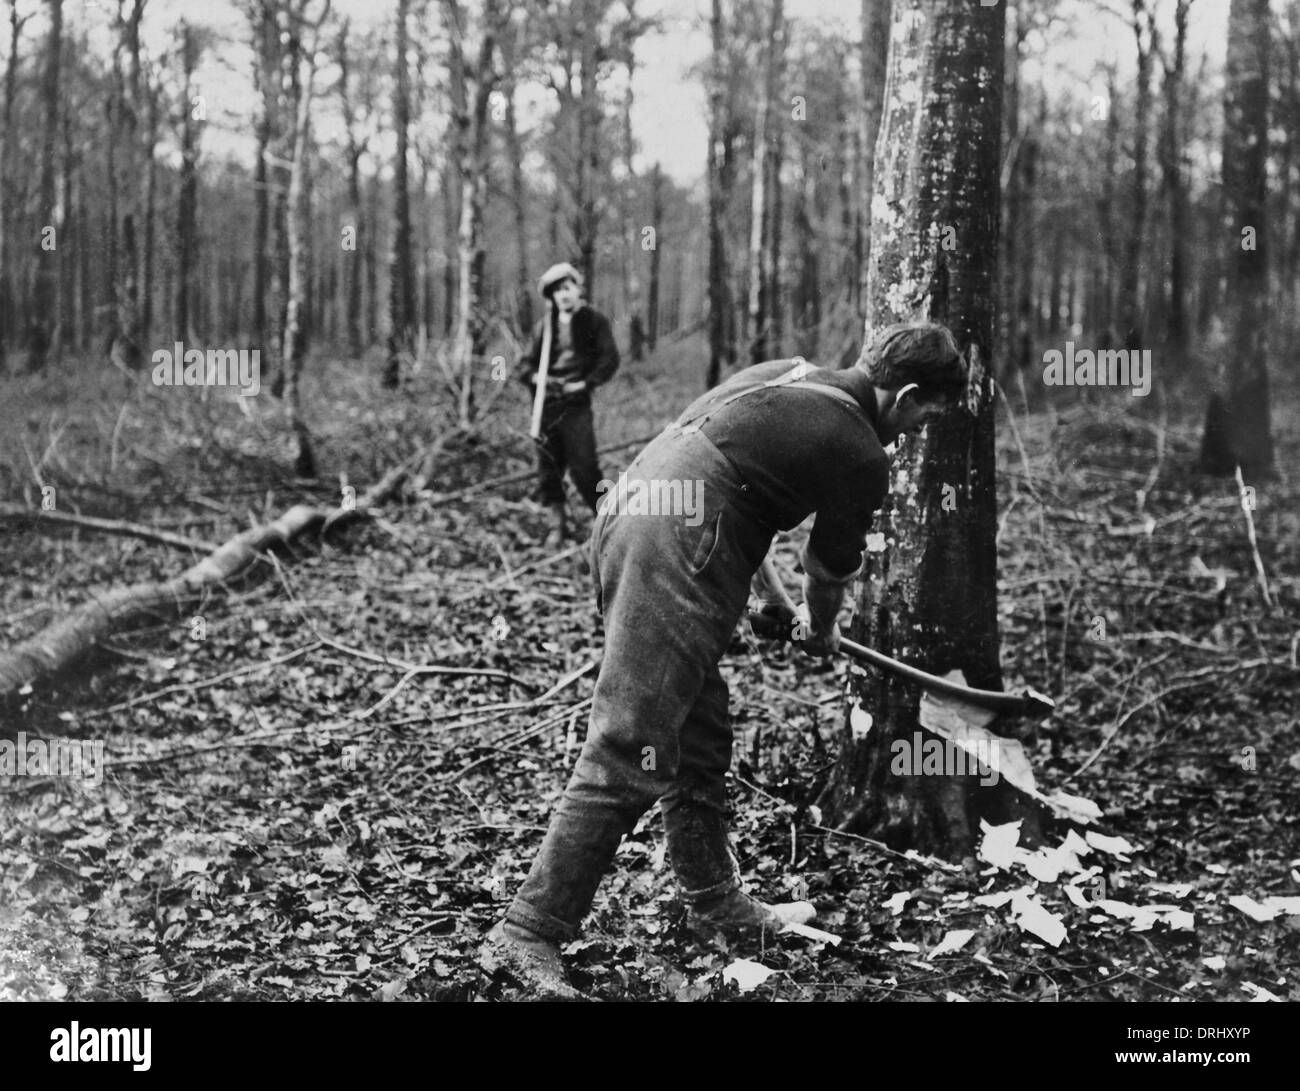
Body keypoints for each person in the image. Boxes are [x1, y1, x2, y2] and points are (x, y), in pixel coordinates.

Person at [482, 322, 969, 998]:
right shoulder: (860, 449)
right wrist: (820, 629)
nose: (912, 434)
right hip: (675, 543)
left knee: (698, 727)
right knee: (631, 740)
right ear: (907, 392)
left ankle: (714, 897)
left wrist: (772, 604)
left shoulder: (793, 373)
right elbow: (826, 568)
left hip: (636, 508)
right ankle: (526, 932)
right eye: (919, 419)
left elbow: (730, 477)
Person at [516, 263, 620, 547]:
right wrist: (537, 377)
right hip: (547, 404)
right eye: (556, 291)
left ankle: (611, 525)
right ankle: (557, 527)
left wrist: (585, 384)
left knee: (584, 466)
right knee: (548, 469)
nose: (563, 295)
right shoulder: (544, 327)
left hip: (576, 404)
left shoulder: (594, 321)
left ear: (577, 288)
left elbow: (609, 359)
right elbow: (524, 364)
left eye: (567, 288)